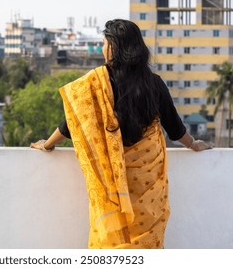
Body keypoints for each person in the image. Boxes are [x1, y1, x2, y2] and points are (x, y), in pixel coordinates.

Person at [30, 19, 212, 249]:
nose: (103, 49)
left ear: (114, 47)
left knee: (111, 243)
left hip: (111, 181)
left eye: (105, 43)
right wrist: (193, 144)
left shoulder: (96, 84)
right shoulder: (153, 84)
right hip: (147, 183)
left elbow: (71, 124)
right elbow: (175, 128)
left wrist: (47, 144)